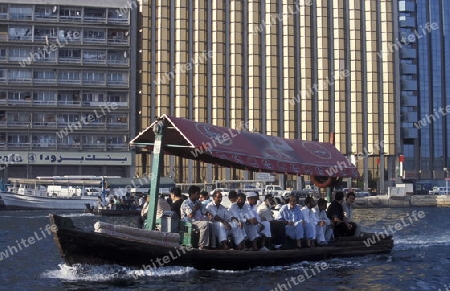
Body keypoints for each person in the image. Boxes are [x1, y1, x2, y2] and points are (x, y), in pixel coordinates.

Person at [180, 185, 210, 250]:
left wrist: (208, 214)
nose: (199, 196)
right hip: (189, 222)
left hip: (197, 221)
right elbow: (190, 215)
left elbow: (204, 211)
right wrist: (195, 208)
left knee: (211, 224)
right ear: (191, 194)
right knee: (205, 224)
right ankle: (201, 245)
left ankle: (213, 246)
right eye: (197, 194)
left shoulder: (198, 202)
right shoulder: (185, 203)